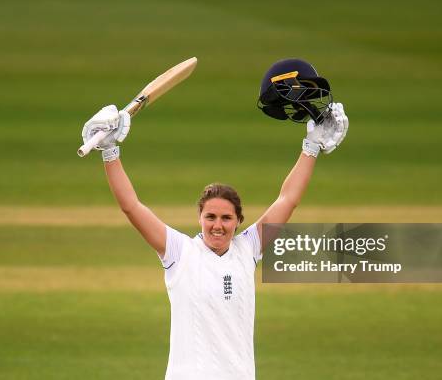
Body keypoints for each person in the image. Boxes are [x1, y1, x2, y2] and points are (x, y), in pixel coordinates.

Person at [80, 58, 348, 380]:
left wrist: (312, 147)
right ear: (200, 217)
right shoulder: (179, 252)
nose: (217, 224)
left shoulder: (247, 250)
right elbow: (132, 207)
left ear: (238, 221)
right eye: (210, 216)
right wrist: (110, 153)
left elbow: (287, 200)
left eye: (225, 217)